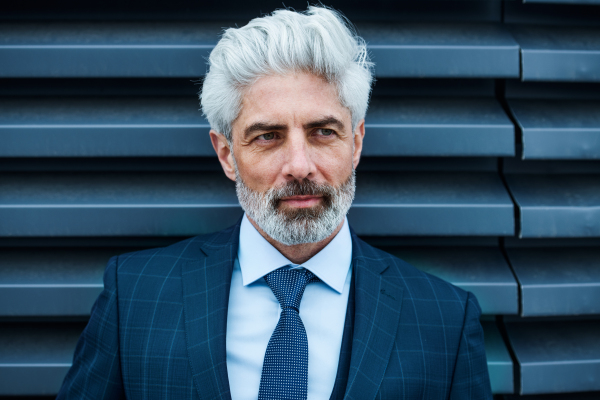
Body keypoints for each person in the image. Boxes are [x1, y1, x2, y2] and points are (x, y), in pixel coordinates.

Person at [57, 6, 492, 399]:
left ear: (356, 143)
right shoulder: (135, 294)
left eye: (324, 131)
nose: (299, 166)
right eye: (268, 136)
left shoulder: (446, 320)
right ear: (227, 154)